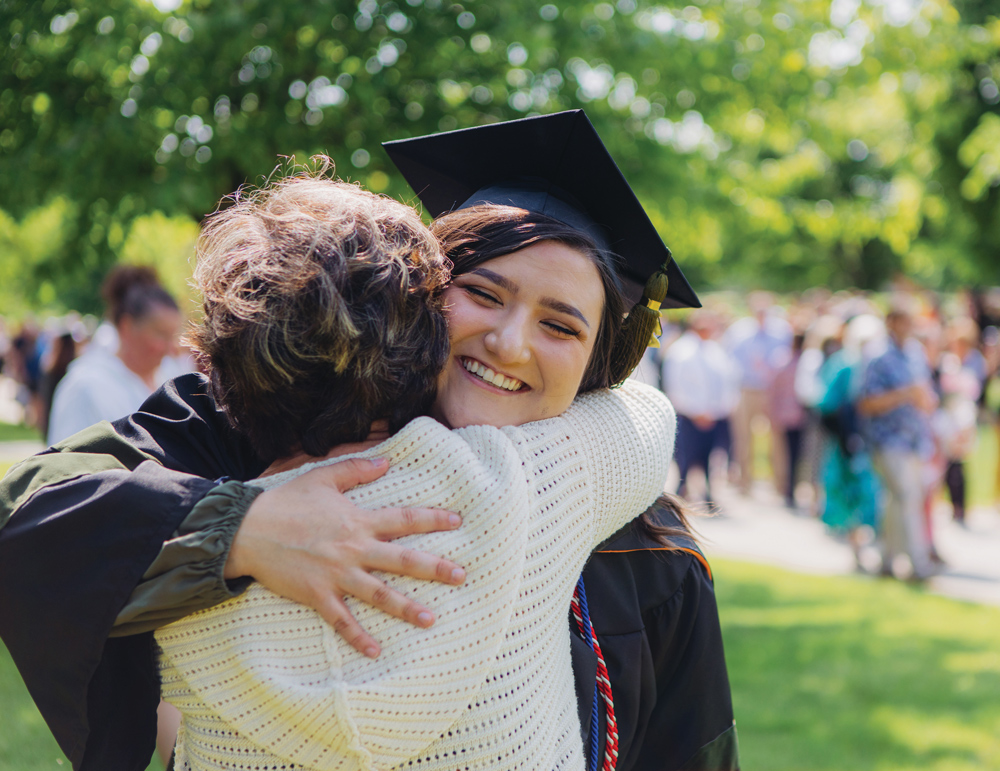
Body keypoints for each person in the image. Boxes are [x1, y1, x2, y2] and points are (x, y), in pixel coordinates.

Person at [0, 112, 737, 771]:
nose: (510, 343)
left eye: (561, 324)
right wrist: (242, 530)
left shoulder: (647, 552)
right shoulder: (260, 422)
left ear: (598, 364)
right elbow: (31, 514)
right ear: (425, 289)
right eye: (483, 292)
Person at [47, 266, 183, 443]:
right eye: (161, 334)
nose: (172, 348)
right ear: (126, 327)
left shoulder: (171, 377)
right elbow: (67, 463)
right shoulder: (85, 387)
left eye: (173, 335)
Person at [858, 301, 938, 580]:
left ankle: (887, 560)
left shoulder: (915, 353)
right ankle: (918, 563)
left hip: (915, 438)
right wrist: (905, 394)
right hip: (888, 439)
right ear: (891, 322)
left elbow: (925, 392)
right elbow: (867, 403)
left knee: (896, 501)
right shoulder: (877, 356)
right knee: (907, 497)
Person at [661, 309, 739, 507]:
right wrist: (696, 411)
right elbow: (675, 384)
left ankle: (708, 491)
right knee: (686, 455)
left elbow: (727, 381)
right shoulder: (680, 350)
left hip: (714, 415)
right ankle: (682, 491)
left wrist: (719, 409)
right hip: (690, 415)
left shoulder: (715, 349)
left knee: (711, 456)